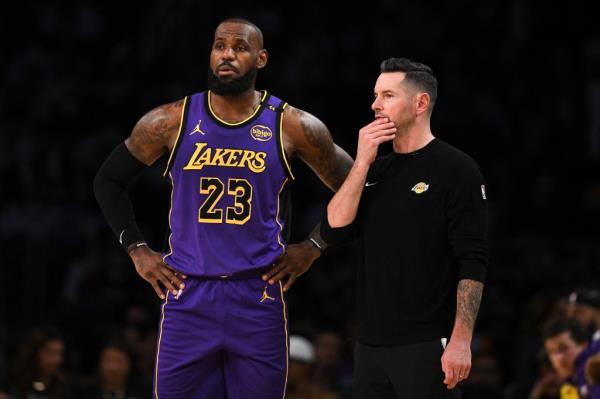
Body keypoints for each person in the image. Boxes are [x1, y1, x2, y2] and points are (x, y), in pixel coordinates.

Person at [93, 18, 353, 399]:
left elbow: (357, 184)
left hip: (257, 294)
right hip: (188, 292)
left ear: (261, 59)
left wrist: (314, 246)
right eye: (219, 45)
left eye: (240, 47)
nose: (227, 54)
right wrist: (137, 250)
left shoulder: (292, 125)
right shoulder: (170, 120)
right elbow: (108, 181)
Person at [320, 57, 488, 399]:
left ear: (420, 103)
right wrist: (363, 161)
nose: (374, 104)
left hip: (427, 344)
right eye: (375, 95)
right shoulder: (374, 171)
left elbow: (473, 259)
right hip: (369, 346)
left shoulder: (457, 169)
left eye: (387, 95)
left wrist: (461, 340)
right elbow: (333, 230)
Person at [541, 318, 600, 399]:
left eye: (564, 348)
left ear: (583, 345)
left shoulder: (591, 370)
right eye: (551, 352)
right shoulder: (570, 386)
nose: (559, 358)